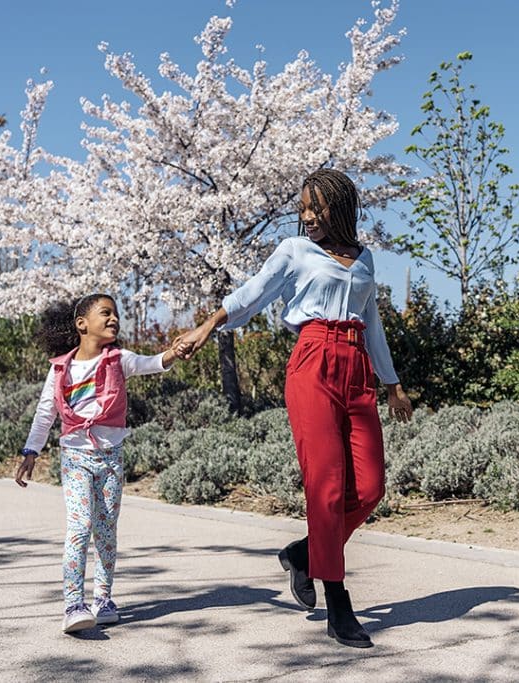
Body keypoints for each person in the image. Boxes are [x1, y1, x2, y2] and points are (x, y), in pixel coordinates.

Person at [174, 168, 413, 648]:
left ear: (340, 208)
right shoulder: (294, 251)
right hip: (312, 363)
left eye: (316, 208)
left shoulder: (364, 259)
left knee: (369, 487)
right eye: (302, 208)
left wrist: (393, 383)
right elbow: (253, 292)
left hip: (357, 365)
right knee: (326, 486)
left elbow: (373, 323)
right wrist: (208, 326)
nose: (307, 217)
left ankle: (306, 554)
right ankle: (338, 603)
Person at [15, 293, 180, 634]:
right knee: (80, 527)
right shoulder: (60, 368)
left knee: (106, 532)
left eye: (116, 314)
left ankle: (103, 600)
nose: (113, 319)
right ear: (81, 324)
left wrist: (174, 353)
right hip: (75, 458)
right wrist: (31, 451)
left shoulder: (120, 359)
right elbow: (46, 413)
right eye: (105, 313)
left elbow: (154, 362)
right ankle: (74, 604)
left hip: (111, 458)